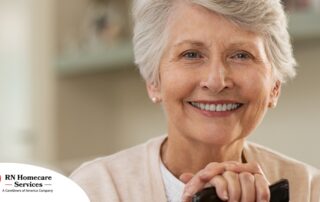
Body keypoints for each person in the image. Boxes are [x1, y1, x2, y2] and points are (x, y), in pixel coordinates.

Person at [70, 0, 320, 201]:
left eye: (241, 55)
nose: (216, 80)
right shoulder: (94, 189)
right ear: (153, 81)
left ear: (275, 87)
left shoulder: (309, 190)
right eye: (191, 54)